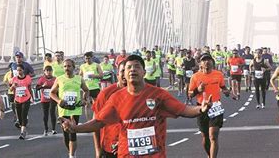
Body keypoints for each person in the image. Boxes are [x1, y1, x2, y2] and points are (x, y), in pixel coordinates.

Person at [60, 54, 212, 158]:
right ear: (123, 74)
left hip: (154, 154)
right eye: (129, 68)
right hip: (126, 154)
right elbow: (99, 122)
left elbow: (183, 110)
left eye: (137, 67)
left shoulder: (158, 94)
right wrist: (75, 128)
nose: (133, 70)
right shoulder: (116, 98)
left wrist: (201, 109)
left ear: (144, 72)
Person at [189, 53, 231, 157]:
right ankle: (209, 155)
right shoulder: (195, 77)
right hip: (202, 108)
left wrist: (226, 92)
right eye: (204, 60)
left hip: (215, 106)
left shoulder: (218, 74)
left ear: (212, 62)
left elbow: (223, 86)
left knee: (213, 136)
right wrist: (197, 90)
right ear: (200, 64)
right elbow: (189, 94)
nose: (207, 62)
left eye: (209, 60)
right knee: (205, 137)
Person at [50, 58, 89, 158]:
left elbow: (86, 90)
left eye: (69, 66)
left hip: (75, 109)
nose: (67, 68)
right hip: (63, 109)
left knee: (72, 132)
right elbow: (52, 93)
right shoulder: (59, 79)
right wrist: (59, 101)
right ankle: (71, 152)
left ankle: (72, 155)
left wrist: (84, 99)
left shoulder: (79, 79)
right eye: (65, 66)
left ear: (73, 67)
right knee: (66, 133)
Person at [92, 61, 127, 157]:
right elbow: (96, 121)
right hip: (110, 148)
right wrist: (97, 149)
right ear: (117, 74)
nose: (125, 74)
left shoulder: (141, 94)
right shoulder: (106, 94)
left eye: (128, 70)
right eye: (122, 71)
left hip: (133, 148)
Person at [10, 63, 33, 139]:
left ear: (23, 70)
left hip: (26, 99)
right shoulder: (14, 79)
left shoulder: (28, 78)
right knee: (19, 118)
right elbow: (10, 89)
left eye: (20, 70)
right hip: (17, 100)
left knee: (24, 115)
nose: (19, 72)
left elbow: (29, 88)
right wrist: (13, 86)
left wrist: (32, 97)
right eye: (17, 70)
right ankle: (23, 127)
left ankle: (22, 132)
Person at [36, 65, 57, 135]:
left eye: (50, 71)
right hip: (44, 99)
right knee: (45, 114)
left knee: (52, 113)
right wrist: (42, 86)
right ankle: (46, 129)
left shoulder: (55, 79)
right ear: (44, 72)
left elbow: (59, 87)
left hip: (52, 98)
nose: (48, 72)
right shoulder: (42, 79)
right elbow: (37, 88)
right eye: (47, 71)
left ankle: (53, 129)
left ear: (52, 71)